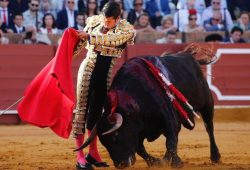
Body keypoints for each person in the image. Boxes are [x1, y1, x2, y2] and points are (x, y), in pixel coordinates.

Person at [73, 2, 135, 169]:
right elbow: (78, 46)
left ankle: (92, 153)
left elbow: (114, 40)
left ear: (118, 18)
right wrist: (67, 48)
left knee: (96, 115)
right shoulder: (94, 21)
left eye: (109, 21)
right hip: (87, 71)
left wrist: (90, 37)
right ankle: (80, 158)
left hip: (105, 76)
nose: (106, 23)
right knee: (81, 113)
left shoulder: (126, 29)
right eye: (105, 20)